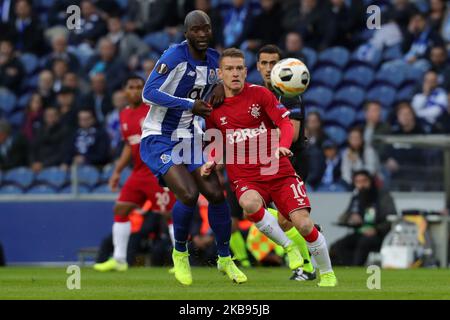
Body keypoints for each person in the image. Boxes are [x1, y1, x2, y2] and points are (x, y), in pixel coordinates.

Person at [202, 48, 337, 287]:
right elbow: (217, 139)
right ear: (219, 73)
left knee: (304, 223)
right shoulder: (213, 106)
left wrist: (282, 146)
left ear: (245, 71)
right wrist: (213, 159)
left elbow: (285, 122)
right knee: (248, 205)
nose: (235, 73)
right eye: (229, 69)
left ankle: (327, 273)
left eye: (239, 69)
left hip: (277, 168)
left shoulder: (261, 95)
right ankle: (289, 248)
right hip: (245, 174)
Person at [139, 10, 247, 286]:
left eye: (206, 29)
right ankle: (180, 254)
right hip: (159, 137)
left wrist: (221, 86)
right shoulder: (174, 57)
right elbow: (148, 93)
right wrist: (189, 105)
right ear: (186, 33)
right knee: (188, 194)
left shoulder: (214, 60)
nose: (201, 34)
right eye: (196, 30)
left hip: (190, 137)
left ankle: (224, 258)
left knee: (215, 193)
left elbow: (228, 82)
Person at [94, 75, 176, 272]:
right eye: (131, 87)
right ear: (124, 91)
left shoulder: (153, 110)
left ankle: (181, 260)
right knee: (120, 209)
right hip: (138, 174)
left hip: (157, 171)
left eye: (139, 87)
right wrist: (117, 172)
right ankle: (120, 260)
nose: (135, 90)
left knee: (169, 214)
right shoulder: (124, 115)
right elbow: (129, 146)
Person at [254, 44, 316, 280]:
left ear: (282, 65)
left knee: (283, 220)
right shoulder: (258, 93)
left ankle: (307, 265)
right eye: (264, 63)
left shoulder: (290, 92)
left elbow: (290, 134)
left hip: (293, 161)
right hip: (269, 160)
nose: (269, 68)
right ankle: (307, 258)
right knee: (268, 213)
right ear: (258, 66)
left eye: (273, 63)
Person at [330, 170, 396, 266]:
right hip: (360, 233)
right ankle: (347, 268)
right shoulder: (356, 197)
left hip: (379, 235)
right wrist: (350, 217)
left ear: (371, 181)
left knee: (363, 243)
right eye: (358, 182)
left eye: (364, 181)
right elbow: (343, 217)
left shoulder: (382, 196)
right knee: (338, 246)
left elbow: (391, 218)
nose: (361, 185)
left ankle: (356, 268)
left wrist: (376, 229)